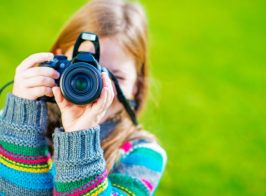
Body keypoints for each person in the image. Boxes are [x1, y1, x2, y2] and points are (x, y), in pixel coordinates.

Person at [0, 0, 167, 195]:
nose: (99, 86)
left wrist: (79, 143)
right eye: (81, 70)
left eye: (115, 77)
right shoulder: (12, 126)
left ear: (136, 86)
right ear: (55, 63)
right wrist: (21, 123)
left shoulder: (143, 155)